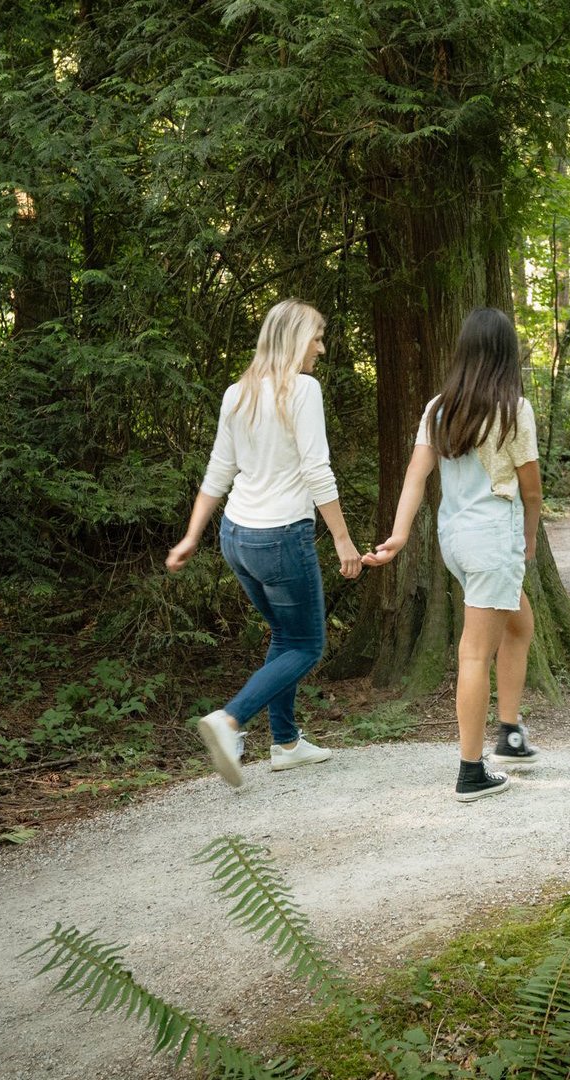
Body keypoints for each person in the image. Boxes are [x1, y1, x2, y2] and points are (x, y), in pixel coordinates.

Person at [166, 299, 362, 788]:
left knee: (284, 634)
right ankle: (230, 719)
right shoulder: (303, 390)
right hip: (280, 538)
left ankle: (287, 742)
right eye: (316, 338)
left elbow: (219, 471)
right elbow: (317, 469)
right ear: (294, 340)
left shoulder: (238, 393)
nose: (321, 348)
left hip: (236, 537)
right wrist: (343, 540)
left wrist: (192, 535)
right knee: (307, 645)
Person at [362, 308, 541, 802]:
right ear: (505, 354)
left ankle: (509, 733)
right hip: (492, 541)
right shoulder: (513, 409)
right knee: (475, 653)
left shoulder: (438, 409)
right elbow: (531, 492)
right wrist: (527, 540)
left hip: (455, 542)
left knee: (519, 624)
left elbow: (415, 476)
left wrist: (399, 535)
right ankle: (470, 770)